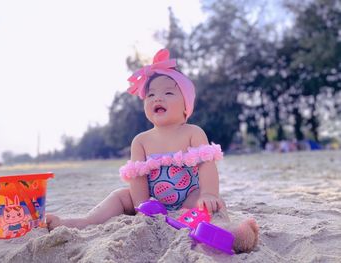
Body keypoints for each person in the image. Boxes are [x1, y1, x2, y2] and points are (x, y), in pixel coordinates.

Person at [46, 49, 259, 253]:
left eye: (168, 92)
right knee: (119, 197)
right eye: (151, 95)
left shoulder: (192, 132)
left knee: (213, 205)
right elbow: (137, 178)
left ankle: (233, 234)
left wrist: (209, 193)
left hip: (188, 196)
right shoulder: (141, 140)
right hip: (150, 198)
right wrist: (141, 205)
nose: (158, 98)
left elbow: (206, 166)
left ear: (186, 106)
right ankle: (85, 222)